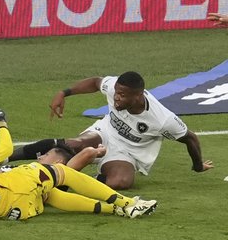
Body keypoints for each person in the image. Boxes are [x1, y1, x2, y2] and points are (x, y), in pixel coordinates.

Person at [0, 109, 157, 219]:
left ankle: (114, 211)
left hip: (16, 211)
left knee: (52, 195)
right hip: (19, 185)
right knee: (61, 173)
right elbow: (4, 149)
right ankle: (126, 204)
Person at [41, 72, 213, 189]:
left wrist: (197, 166)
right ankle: (24, 169)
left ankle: (68, 183)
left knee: (121, 181)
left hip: (129, 153)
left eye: (122, 95)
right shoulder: (115, 87)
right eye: (116, 92)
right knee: (73, 144)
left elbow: (190, 138)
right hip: (105, 132)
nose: (116, 96)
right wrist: (63, 93)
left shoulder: (163, 120)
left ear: (138, 96)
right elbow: (95, 82)